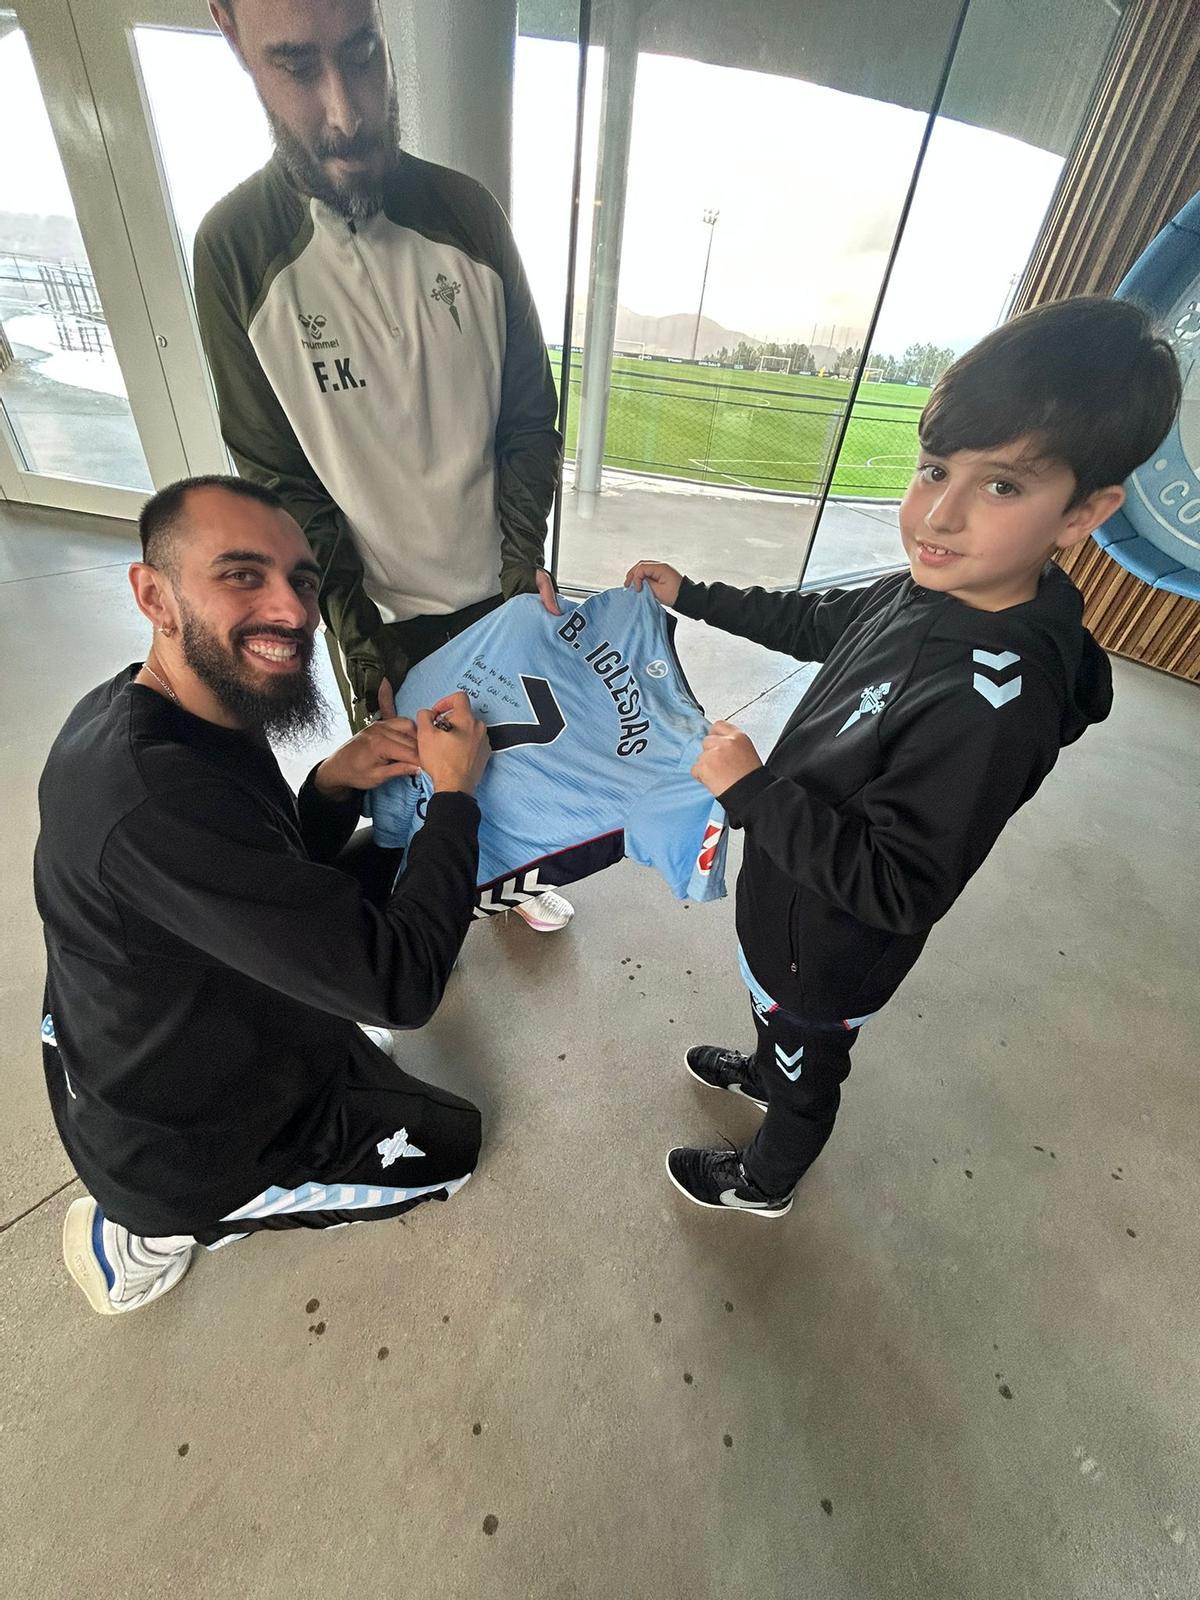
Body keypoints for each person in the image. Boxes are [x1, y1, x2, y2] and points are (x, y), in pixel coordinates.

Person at [625, 296, 1181, 1218]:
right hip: (791, 910)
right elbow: (816, 622)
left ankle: (766, 1180)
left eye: (1002, 487)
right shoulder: (929, 587)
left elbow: (898, 886)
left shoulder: (992, 705)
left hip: (828, 952)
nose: (939, 515)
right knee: (779, 1032)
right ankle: (767, 1065)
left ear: (1084, 512)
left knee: (809, 1074)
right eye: (933, 469)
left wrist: (755, 792)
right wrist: (697, 594)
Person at [36, 475, 491, 1314]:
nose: (292, 611)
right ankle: (145, 1235)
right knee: (454, 1147)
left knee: (392, 866)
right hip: (189, 1147)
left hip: (180, 1023)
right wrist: (457, 799)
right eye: (242, 574)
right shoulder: (151, 798)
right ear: (154, 596)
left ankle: (315, 1044)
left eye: (303, 581)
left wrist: (332, 783)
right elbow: (403, 988)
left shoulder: (165, 708)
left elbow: (255, 858)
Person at [192, 0, 573, 934]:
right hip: (380, 615)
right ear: (232, 35)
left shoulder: (468, 214)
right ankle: (435, 908)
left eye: (363, 55)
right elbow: (282, 488)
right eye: (297, 66)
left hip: (498, 588)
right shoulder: (234, 252)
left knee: (516, 769)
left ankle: (511, 876)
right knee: (415, 792)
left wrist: (519, 577)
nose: (346, 111)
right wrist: (360, 647)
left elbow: (529, 418)